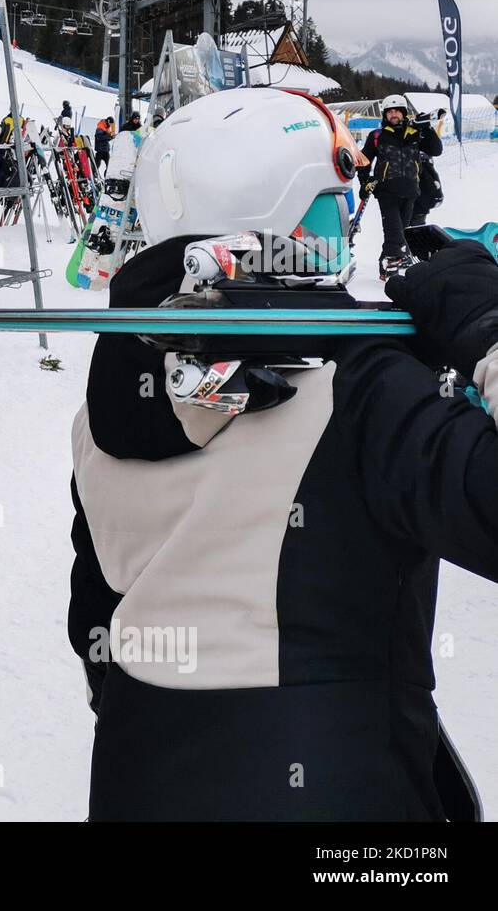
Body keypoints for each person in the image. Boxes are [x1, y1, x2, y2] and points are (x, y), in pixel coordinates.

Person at [69, 86, 498, 821]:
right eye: (335, 201)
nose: (351, 224)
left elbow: (95, 612)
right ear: (286, 213)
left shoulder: (111, 392)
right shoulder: (362, 387)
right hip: (339, 781)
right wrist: (486, 327)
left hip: (139, 765)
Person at [358, 94, 443, 277]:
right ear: (385, 115)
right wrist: (364, 182)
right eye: (390, 111)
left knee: (400, 233)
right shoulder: (377, 136)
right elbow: (363, 160)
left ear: (404, 113)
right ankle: (391, 269)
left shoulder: (414, 134)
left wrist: (426, 127)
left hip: (411, 191)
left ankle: (385, 263)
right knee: (394, 232)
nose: (394, 114)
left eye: (397, 111)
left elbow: (436, 150)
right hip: (387, 191)